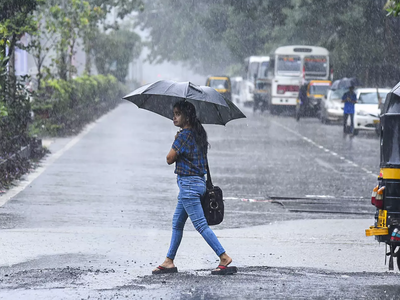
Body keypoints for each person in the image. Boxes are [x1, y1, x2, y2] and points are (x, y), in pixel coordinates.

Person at [152, 100, 236, 275]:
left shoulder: (184, 136)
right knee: (177, 223)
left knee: (200, 225)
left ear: (187, 116)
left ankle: (223, 256)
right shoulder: (198, 134)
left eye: (177, 114)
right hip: (196, 184)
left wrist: (176, 141)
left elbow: (169, 159)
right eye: (173, 113)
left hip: (189, 187)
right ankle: (169, 261)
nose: (173, 117)